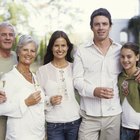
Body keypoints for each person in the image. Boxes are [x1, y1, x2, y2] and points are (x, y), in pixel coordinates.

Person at [73, 8, 140, 140]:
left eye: (104, 24)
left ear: (110, 26)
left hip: (113, 116)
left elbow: (131, 65)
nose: (101, 27)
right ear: (91, 27)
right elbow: (77, 80)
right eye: (97, 24)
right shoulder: (82, 51)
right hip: (89, 115)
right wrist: (94, 91)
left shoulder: (120, 51)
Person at [36, 30, 81, 140]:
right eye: (56, 45)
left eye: (63, 45)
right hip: (53, 124)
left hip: (74, 121)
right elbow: (38, 98)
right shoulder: (42, 71)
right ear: (51, 47)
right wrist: (49, 100)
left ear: (68, 47)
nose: (60, 49)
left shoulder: (75, 67)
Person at [0, 35, 45, 140]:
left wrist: (49, 100)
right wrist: (25, 103)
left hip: (39, 136)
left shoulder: (34, 77)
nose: (29, 54)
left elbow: (38, 105)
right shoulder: (8, 78)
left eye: (32, 51)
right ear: (18, 52)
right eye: (25, 50)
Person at [118, 42, 140, 140]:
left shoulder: (138, 78)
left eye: (129, 56)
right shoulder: (119, 77)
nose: (125, 60)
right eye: (122, 57)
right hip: (123, 127)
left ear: (137, 57)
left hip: (137, 129)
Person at [0, 22, 17, 140]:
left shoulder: (15, 56)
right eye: (3, 34)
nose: (7, 38)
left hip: (13, 118)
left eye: (10, 35)